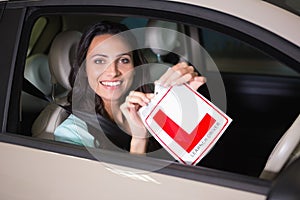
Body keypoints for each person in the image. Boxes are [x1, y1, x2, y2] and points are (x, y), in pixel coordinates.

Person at [54, 21, 206, 154]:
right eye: (99, 61)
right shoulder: (72, 133)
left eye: (123, 60)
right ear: (84, 70)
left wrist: (188, 103)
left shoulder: (150, 106)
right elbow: (117, 188)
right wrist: (139, 140)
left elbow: (192, 155)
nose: (113, 72)